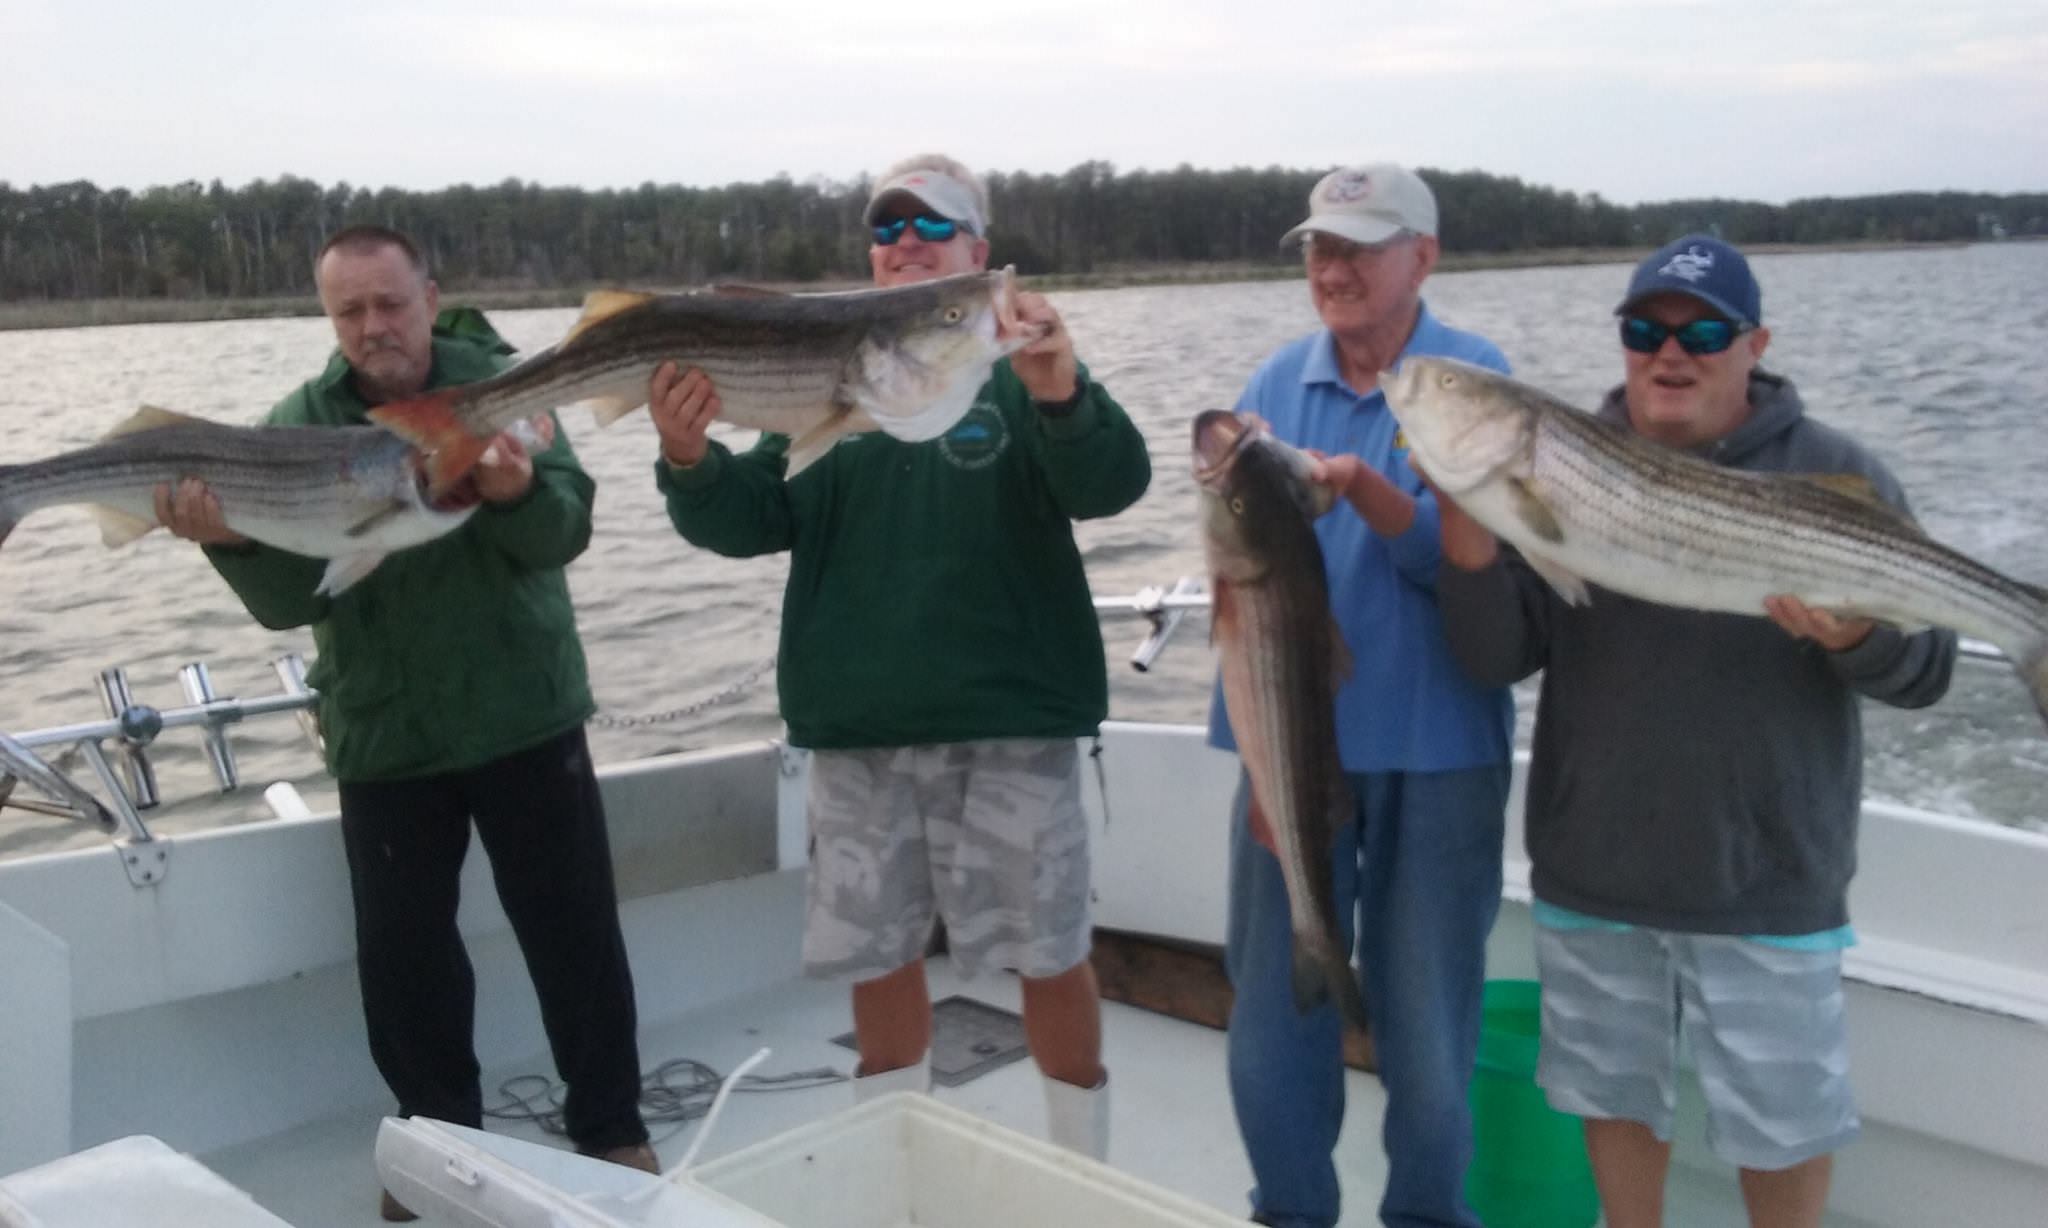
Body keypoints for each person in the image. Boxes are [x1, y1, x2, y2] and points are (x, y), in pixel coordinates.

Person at [1432, 234, 1957, 1228]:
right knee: (1612, 1106)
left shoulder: (1835, 472)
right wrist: (1465, 546)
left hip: (1766, 875)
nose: (1668, 354)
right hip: (1597, 868)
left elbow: (1924, 670)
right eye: (1644, 330)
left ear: (1752, 343)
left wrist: (1855, 639)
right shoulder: (1555, 463)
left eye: (1701, 332)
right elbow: (1497, 654)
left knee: (1782, 1128)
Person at [644, 153, 1150, 1161]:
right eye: (885, 230)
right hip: (857, 736)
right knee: (875, 960)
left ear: (980, 257)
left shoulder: (1019, 372)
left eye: (931, 228)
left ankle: (1079, 1165)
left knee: (1048, 956)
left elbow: (1111, 484)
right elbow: (751, 519)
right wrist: (686, 459)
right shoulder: (831, 374)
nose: (904, 245)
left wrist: (1060, 391)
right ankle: (895, 1154)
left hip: (1012, 725)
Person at [156, 225, 655, 1222]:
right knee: (404, 957)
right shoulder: (296, 423)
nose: (372, 326)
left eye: (389, 303)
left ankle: (610, 1125)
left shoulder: (510, 387)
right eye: (349, 311)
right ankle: (433, 1143)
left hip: (523, 710)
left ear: (430, 295)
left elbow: (565, 530)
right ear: (329, 317)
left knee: (575, 936)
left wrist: (513, 491)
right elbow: (291, 603)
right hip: (388, 735)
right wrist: (226, 538)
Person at [1209, 164, 1517, 1228]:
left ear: (1421, 257)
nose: (1330, 269)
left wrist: (1377, 495)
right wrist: (1247, 761)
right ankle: (1289, 1210)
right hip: (1286, 747)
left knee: (1427, 1031)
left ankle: (1427, 1217)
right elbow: (1236, 582)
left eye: (1357, 247)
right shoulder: (1271, 385)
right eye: (1316, 249)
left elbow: (1475, 573)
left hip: (1437, 749)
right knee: (1270, 1018)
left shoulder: (1472, 379)